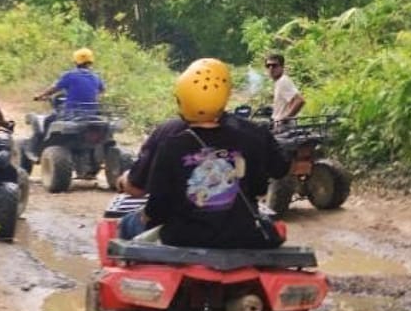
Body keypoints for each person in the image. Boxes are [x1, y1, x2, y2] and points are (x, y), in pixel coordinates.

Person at [132, 58, 289, 249]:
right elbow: (264, 184)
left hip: (182, 239)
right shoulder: (252, 137)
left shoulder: (170, 146)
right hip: (243, 237)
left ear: (182, 99)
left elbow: (157, 209)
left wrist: (147, 216)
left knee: (130, 225)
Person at [34, 47, 105, 116]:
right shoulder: (96, 76)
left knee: (53, 117)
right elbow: (102, 91)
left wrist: (41, 96)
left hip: (72, 112)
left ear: (76, 61)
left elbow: (54, 88)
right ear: (91, 61)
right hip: (91, 113)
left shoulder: (70, 75)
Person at [265, 53, 304, 123]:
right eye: (268, 66)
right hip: (279, 124)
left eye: (274, 65)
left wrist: (286, 119)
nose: (271, 68)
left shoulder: (283, 81)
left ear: (282, 67)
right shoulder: (279, 82)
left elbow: (299, 100)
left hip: (284, 127)